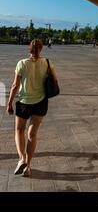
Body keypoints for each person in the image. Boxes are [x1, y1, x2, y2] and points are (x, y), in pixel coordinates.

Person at [6, 39, 58, 177]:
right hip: (41, 102)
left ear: (29, 48)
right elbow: (55, 80)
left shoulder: (22, 63)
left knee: (19, 130)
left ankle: (21, 158)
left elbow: (15, 86)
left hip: (24, 102)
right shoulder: (47, 63)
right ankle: (28, 167)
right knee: (32, 135)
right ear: (41, 48)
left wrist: (9, 102)